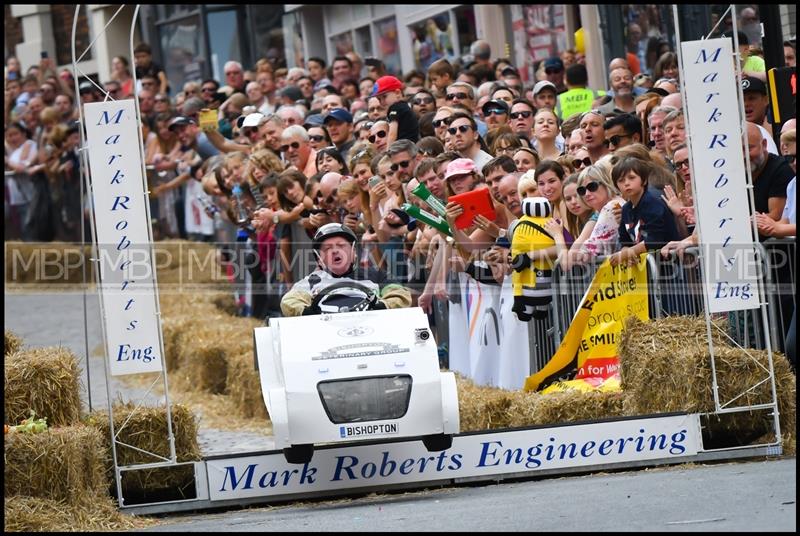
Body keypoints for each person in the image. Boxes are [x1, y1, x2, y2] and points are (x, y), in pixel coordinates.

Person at [280, 222, 412, 316]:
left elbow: (401, 295)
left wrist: (379, 307)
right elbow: (289, 302)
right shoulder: (311, 282)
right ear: (320, 258)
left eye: (341, 245)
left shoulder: (377, 276)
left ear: (353, 251)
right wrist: (310, 312)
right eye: (327, 248)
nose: (335, 251)